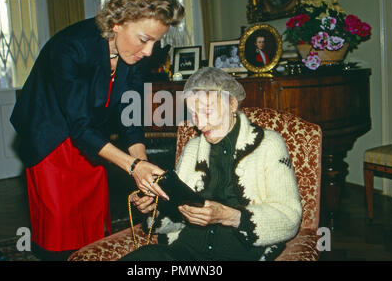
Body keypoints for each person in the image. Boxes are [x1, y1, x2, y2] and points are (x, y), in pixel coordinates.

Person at [10, 0, 184, 259]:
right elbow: (78, 126)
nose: (149, 52)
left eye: (156, 41)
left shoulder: (135, 55)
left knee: (92, 222)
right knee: (60, 227)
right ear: (117, 23)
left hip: (92, 137)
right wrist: (133, 167)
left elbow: (131, 114)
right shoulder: (72, 47)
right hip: (50, 135)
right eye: (144, 39)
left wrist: (142, 165)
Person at [122, 67, 302, 261]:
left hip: (239, 254)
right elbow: (178, 213)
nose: (199, 124)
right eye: (193, 115)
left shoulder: (269, 144)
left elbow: (289, 218)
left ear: (232, 104)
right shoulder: (192, 148)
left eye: (207, 112)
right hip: (184, 252)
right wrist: (155, 208)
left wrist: (228, 215)